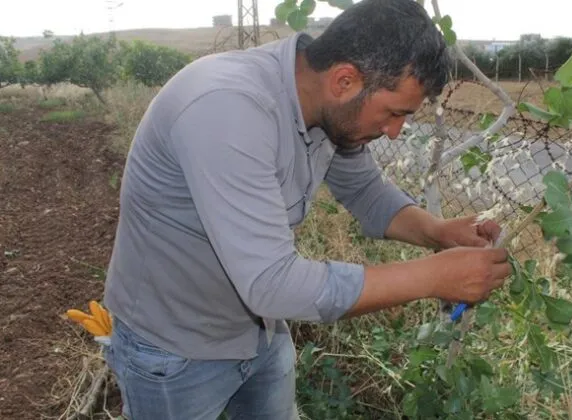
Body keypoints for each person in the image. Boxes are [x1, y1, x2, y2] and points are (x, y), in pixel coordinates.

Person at [101, 0, 512, 418]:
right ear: (345, 80)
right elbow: (272, 284)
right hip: (175, 349)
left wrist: (438, 232)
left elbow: (368, 192)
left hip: (259, 332)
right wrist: (434, 277)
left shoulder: (326, 107)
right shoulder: (227, 108)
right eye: (393, 113)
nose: (393, 132)